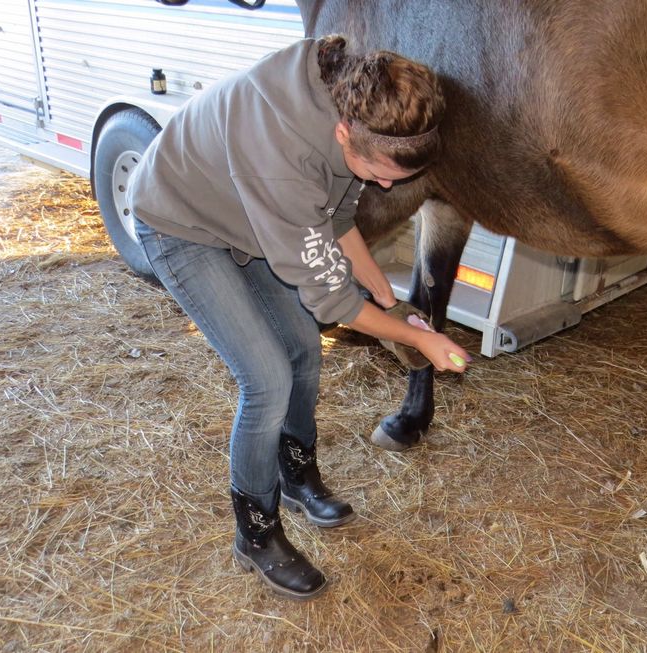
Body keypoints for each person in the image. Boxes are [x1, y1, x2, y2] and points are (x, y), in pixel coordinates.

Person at [126, 35, 469, 601]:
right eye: (380, 172)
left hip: (247, 214)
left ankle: (295, 475)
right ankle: (256, 534)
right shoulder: (285, 153)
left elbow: (333, 218)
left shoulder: (354, 102)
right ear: (342, 134)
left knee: (303, 348)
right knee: (265, 379)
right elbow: (332, 300)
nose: (386, 185)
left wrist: (383, 290)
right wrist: (412, 337)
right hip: (181, 220)